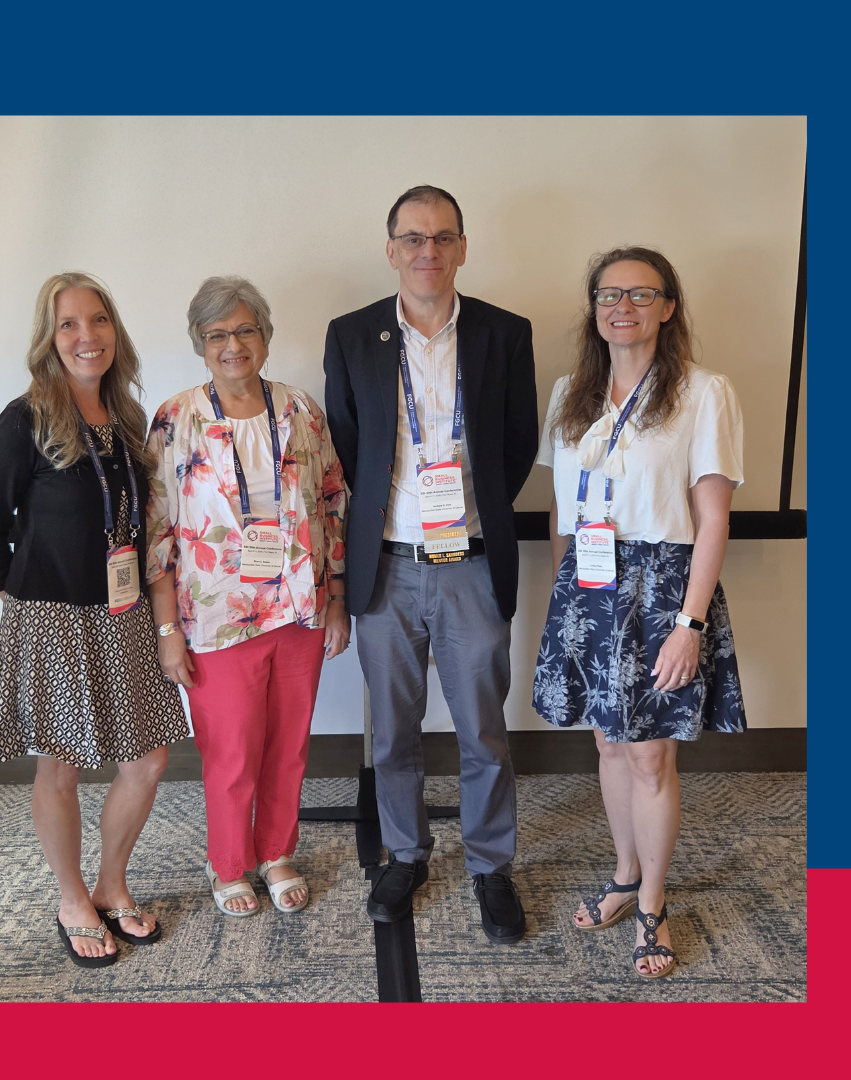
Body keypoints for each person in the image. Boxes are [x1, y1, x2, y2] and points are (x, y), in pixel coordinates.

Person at [321, 186, 537, 943]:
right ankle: (406, 854)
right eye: (413, 239)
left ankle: (489, 864)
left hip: (471, 565)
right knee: (394, 732)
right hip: (388, 567)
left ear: (463, 248)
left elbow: (517, 445)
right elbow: (348, 450)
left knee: (484, 728)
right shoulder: (352, 336)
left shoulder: (505, 333)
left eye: (443, 238)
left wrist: (470, 519)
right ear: (391, 251)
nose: (428, 252)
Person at [532, 246, 746, 978]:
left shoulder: (702, 392)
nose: (621, 305)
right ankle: (624, 873)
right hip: (589, 590)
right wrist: (568, 598)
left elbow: (713, 520)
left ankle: (653, 903)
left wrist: (689, 624)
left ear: (668, 306)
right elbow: (563, 508)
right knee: (609, 746)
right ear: (593, 308)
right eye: (607, 293)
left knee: (652, 754)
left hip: (662, 589)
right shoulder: (570, 394)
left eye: (640, 292)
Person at [0, 271, 190, 969]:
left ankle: (110, 882)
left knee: (148, 759)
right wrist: (18, 592)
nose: (85, 335)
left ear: (113, 331)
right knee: (60, 767)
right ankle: (71, 899)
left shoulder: (127, 418)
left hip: (122, 613)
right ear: (49, 337)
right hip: (53, 618)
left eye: (97, 320)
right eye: (68, 324)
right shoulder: (24, 419)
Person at [143, 276, 350, 918]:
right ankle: (229, 862)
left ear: (264, 335)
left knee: (287, 744)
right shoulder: (177, 419)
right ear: (200, 345)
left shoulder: (300, 411)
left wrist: (336, 597)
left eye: (244, 330)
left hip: (299, 608)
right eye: (217, 334)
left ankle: (277, 852)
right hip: (215, 616)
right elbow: (155, 531)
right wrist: (167, 631)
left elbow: (332, 502)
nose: (233, 344)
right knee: (230, 750)